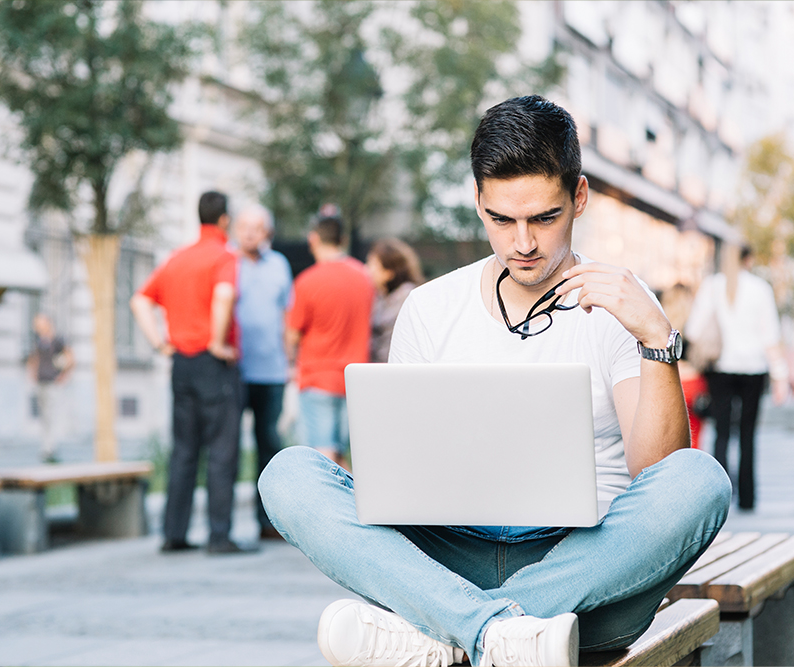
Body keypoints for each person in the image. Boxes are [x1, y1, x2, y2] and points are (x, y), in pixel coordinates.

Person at [259, 96, 731, 667]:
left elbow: (657, 475)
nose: (523, 243)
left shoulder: (623, 305)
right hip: (448, 557)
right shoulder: (431, 308)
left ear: (579, 197)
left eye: (544, 218)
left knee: (700, 480)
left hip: (583, 571)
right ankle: (493, 632)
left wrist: (657, 337)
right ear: (478, 202)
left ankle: (445, 633)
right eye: (502, 220)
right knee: (287, 475)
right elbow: (398, 481)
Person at [130, 191, 252, 555]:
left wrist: (159, 343)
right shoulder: (224, 256)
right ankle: (219, 536)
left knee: (183, 450)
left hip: (180, 363)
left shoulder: (176, 259)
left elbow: (140, 300)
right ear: (224, 220)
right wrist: (217, 341)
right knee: (221, 450)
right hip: (213, 365)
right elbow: (225, 294)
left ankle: (174, 533)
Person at [685, 245, 788, 510]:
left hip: (720, 368)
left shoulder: (712, 286)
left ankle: (721, 497)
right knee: (747, 433)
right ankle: (747, 498)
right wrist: (780, 377)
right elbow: (770, 336)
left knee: (721, 432)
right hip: (754, 369)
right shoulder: (760, 288)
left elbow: (694, 330)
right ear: (749, 259)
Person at [284, 214, 375, 468]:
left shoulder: (306, 282)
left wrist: (291, 364)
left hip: (317, 378)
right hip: (355, 380)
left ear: (313, 240)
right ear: (343, 240)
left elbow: (292, 335)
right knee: (345, 456)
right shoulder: (365, 277)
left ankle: (334, 509)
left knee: (323, 458)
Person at [233, 203, 294, 540]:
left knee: (269, 446)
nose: (249, 233)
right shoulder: (227, 263)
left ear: (266, 232)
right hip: (234, 372)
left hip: (271, 371)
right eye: (243, 226)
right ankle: (221, 527)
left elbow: (288, 316)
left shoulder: (279, 266)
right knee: (226, 449)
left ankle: (268, 523)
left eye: (256, 227)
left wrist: (290, 361)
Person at [660, 283, 708, 449]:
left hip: (668, 380)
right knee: (694, 436)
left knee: (668, 435)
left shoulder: (659, 324)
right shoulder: (694, 322)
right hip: (694, 383)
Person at [366, 237, 425, 363]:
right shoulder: (381, 297)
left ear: (389, 272)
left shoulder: (407, 297)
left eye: (373, 265)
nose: (367, 270)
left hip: (395, 369)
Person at [27, 313, 74, 463]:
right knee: (44, 416)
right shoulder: (39, 340)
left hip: (53, 382)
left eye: (39, 324)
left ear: (47, 323)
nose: (37, 327)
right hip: (41, 382)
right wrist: (33, 373)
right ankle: (46, 447)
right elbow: (34, 357)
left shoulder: (57, 340)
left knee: (52, 415)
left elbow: (71, 357)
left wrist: (64, 376)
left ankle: (52, 448)